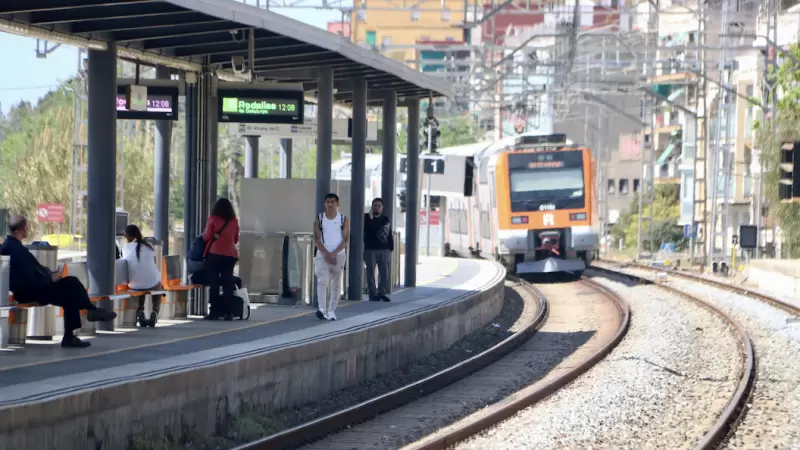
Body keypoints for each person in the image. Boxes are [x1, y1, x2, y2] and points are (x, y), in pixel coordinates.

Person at [0, 215, 116, 348]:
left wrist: (51, 275)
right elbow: (28, 276)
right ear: (22, 229)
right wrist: (50, 278)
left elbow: (31, 271)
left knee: (71, 284)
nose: (28, 230)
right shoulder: (15, 249)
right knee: (70, 290)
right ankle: (84, 318)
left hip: (34, 287)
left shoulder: (13, 246)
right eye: (27, 227)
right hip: (29, 291)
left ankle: (84, 318)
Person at [202, 198, 240, 321]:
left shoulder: (213, 219)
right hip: (230, 255)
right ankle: (229, 313)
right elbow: (235, 239)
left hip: (214, 254)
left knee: (214, 284)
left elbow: (207, 236)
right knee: (227, 283)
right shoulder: (234, 221)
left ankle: (214, 312)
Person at [313, 193, 350, 321]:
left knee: (336, 284)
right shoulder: (320, 218)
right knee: (322, 281)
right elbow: (316, 239)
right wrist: (326, 253)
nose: (330, 204)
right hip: (322, 254)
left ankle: (332, 310)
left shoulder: (343, 219)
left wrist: (334, 253)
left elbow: (345, 240)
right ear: (325, 204)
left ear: (337, 204)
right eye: (328, 202)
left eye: (332, 202)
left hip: (338, 255)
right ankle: (322, 309)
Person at [121, 225, 163, 328]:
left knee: (139, 286)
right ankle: (155, 312)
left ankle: (140, 310)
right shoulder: (148, 245)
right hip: (152, 281)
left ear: (128, 237)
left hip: (134, 284)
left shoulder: (126, 248)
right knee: (158, 288)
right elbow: (152, 263)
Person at [363, 197, 394, 302]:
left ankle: (382, 293)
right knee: (370, 272)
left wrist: (391, 247)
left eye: (379, 206)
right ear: (372, 206)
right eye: (375, 205)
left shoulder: (385, 219)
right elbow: (367, 230)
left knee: (384, 272)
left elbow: (389, 234)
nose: (377, 207)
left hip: (384, 249)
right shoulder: (366, 218)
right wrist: (370, 218)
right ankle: (372, 294)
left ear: (382, 207)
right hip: (370, 249)